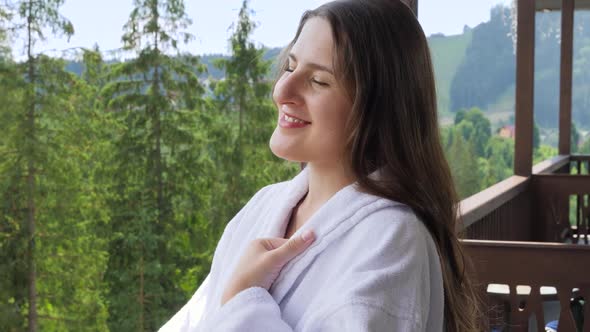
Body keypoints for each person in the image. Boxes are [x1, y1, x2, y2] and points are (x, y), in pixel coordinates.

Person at [160, 0, 481, 331]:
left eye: (319, 81)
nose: (282, 91)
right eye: (290, 66)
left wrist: (244, 298)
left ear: (379, 107)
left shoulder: (391, 242)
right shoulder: (263, 206)